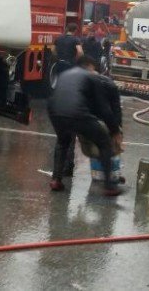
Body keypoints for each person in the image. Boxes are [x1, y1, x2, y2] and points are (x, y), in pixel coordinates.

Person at [47, 56, 123, 196]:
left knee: (62, 142)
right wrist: (114, 130)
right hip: (76, 112)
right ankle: (109, 186)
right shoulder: (91, 76)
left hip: (54, 111)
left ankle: (56, 180)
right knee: (104, 142)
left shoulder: (65, 74)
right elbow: (103, 108)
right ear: (89, 66)